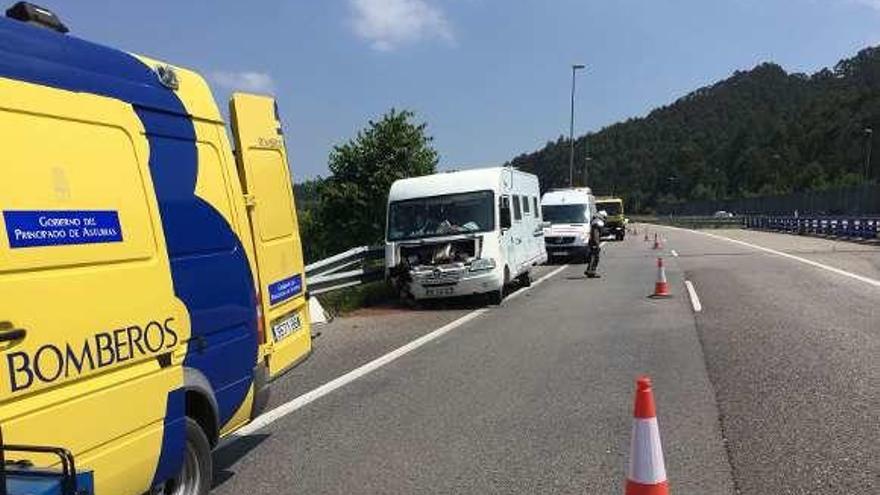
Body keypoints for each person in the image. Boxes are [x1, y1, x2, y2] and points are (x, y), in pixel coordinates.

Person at [584, 212, 605, 278]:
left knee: (592, 257)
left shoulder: (594, 223)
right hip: (594, 243)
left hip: (592, 243)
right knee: (595, 258)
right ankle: (592, 272)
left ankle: (589, 270)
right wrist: (597, 245)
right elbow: (596, 236)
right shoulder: (597, 224)